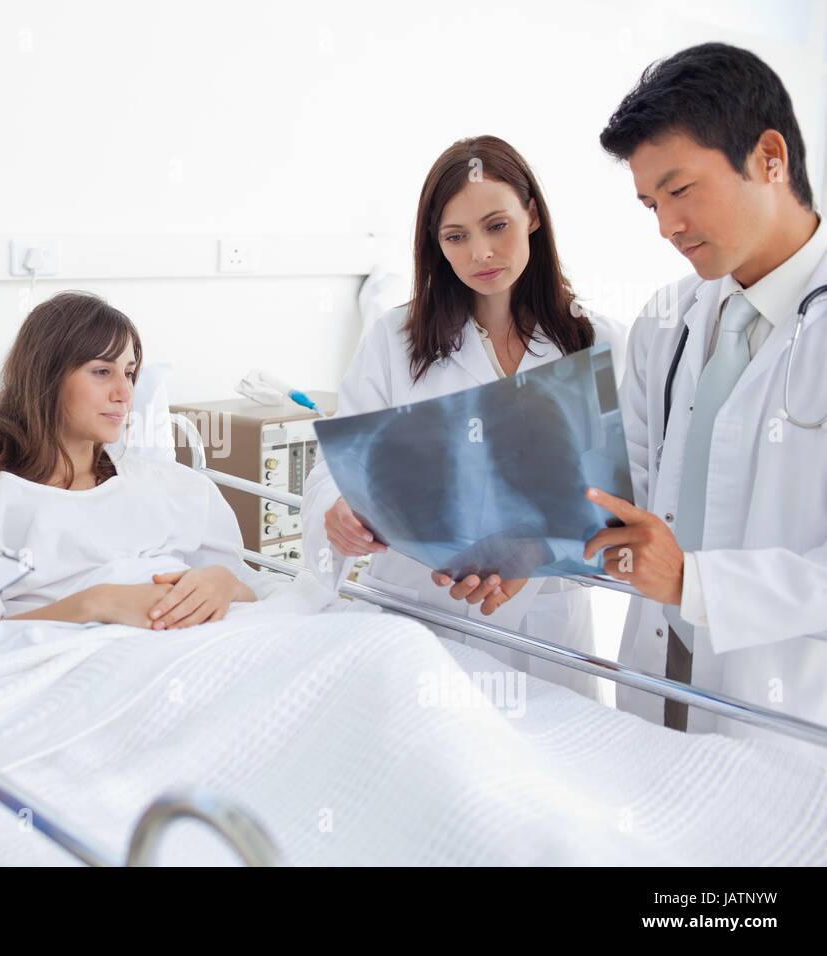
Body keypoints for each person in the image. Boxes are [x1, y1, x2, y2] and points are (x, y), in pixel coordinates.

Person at [302, 135, 626, 700]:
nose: (480, 253)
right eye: (457, 237)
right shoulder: (395, 340)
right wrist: (336, 512)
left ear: (531, 217)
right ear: (437, 246)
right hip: (421, 612)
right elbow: (339, 463)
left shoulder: (595, 341)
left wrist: (540, 545)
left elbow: (629, 481)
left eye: (496, 225)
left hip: (549, 616)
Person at [588, 42, 827, 757]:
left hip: (785, 708)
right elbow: (619, 483)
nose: (666, 226)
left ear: (769, 158)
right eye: (650, 203)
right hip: (656, 682)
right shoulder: (670, 319)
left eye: (680, 189)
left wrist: (698, 582)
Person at [0, 292, 286, 667]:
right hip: (107, 666)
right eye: (102, 372)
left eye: (129, 373)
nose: (124, 393)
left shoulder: (173, 484)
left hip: (227, 646)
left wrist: (220, 583)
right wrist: (97, 602)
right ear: (45, 378)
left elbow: (254, 590)